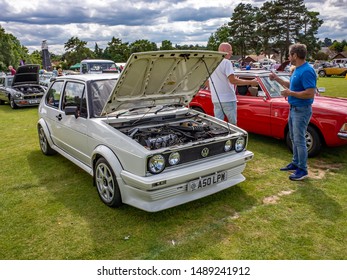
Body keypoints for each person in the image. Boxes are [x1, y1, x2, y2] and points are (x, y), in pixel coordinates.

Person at [269, 43, 316, 181]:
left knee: (300, 139)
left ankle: (302, 169)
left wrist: (291, 93)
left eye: (290, 54)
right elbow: (292, 86)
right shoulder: (297, 69)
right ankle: (295, 163)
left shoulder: (307, 70)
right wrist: (277, 79)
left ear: (295, 55)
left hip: (302, 110)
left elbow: (310, 93)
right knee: (294, 138)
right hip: (294, 108)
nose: (289, 57)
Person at [206, 42, 258, 125]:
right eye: (230, 50)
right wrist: (251, 82)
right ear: (223, 50)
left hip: (216, 99)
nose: (232, 52)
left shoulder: (212, 63)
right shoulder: (226, 62)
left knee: (219, 125)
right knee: (233, 125)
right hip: (228, 99)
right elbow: (233, 81)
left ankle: (221, 137)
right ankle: (234, 138)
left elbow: (206, 81)